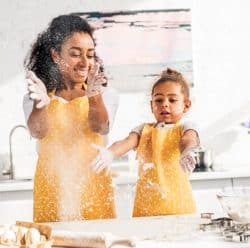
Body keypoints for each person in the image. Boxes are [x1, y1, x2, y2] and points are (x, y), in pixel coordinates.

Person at [23, 14, 119, 222]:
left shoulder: (107, 95)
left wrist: (94, 97)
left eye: (90, 55)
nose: (85, 62)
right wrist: (41, 106)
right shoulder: (37, 94)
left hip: (94, 192)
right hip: (52, 194)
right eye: (75, 54)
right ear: (56, 55)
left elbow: (101, 127)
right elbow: (38, 131)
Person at [92, 68, 200, 217]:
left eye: (172, 100)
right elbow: (126, 142)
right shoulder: (144, 130)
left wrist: (188, 151)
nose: (165, 104)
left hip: (178, 206)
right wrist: (110, 153)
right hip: (146, 208)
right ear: (151, 105)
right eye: (159, 100)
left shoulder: (185, 128)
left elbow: (188, 140)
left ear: (186, 105)